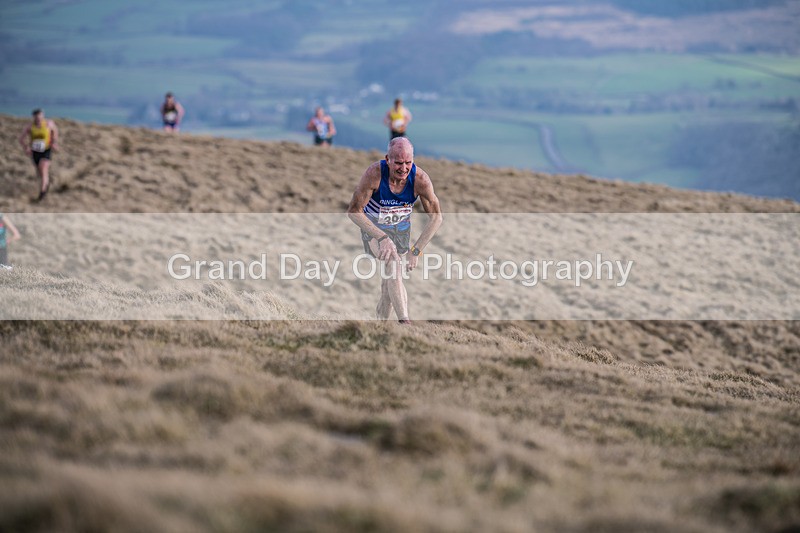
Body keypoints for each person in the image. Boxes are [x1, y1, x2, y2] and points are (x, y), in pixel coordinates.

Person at [348, 137, 442, 323]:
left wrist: (416, 250)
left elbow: (436, 217)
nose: (403, 168)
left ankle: (381, 327)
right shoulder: (374, 174)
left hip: (401, 232)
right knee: (394, 264)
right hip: (374, 229)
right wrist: (382, 238)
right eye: (398, 163)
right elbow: (354, 212)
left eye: (408, 163)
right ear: (388, 159)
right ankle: (404, 322)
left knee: (388, 287)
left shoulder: (420, 180)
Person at [19, 108, 59, 201]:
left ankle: (42, 193)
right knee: (40, 172)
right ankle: (46, 184)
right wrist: (26, 148)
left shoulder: (49, 123)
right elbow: (21, 139)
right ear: (34, 117)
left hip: (46, 150)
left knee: (43, 168)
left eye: (40, 117)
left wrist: (54, 142)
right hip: (35, 152)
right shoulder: (30, 126)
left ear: (43, 116)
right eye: (36, 118)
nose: (38, 119)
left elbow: (55, 131)